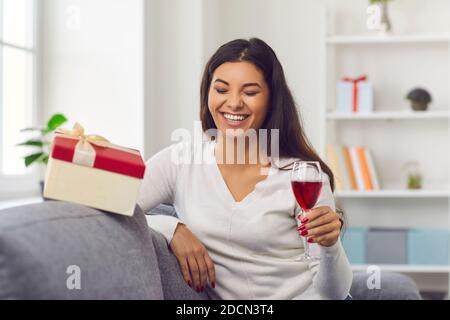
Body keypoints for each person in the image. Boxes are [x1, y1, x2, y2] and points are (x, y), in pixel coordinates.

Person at [137, 38, 352, 300]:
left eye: (250, 92)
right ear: (208, 94)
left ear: (272, 100)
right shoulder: (180, 161)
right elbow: (118, 207)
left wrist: (330, 247)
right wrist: (173, 229)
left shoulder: (303, 176)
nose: (234, 103)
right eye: (221, 89)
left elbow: (335, 294)